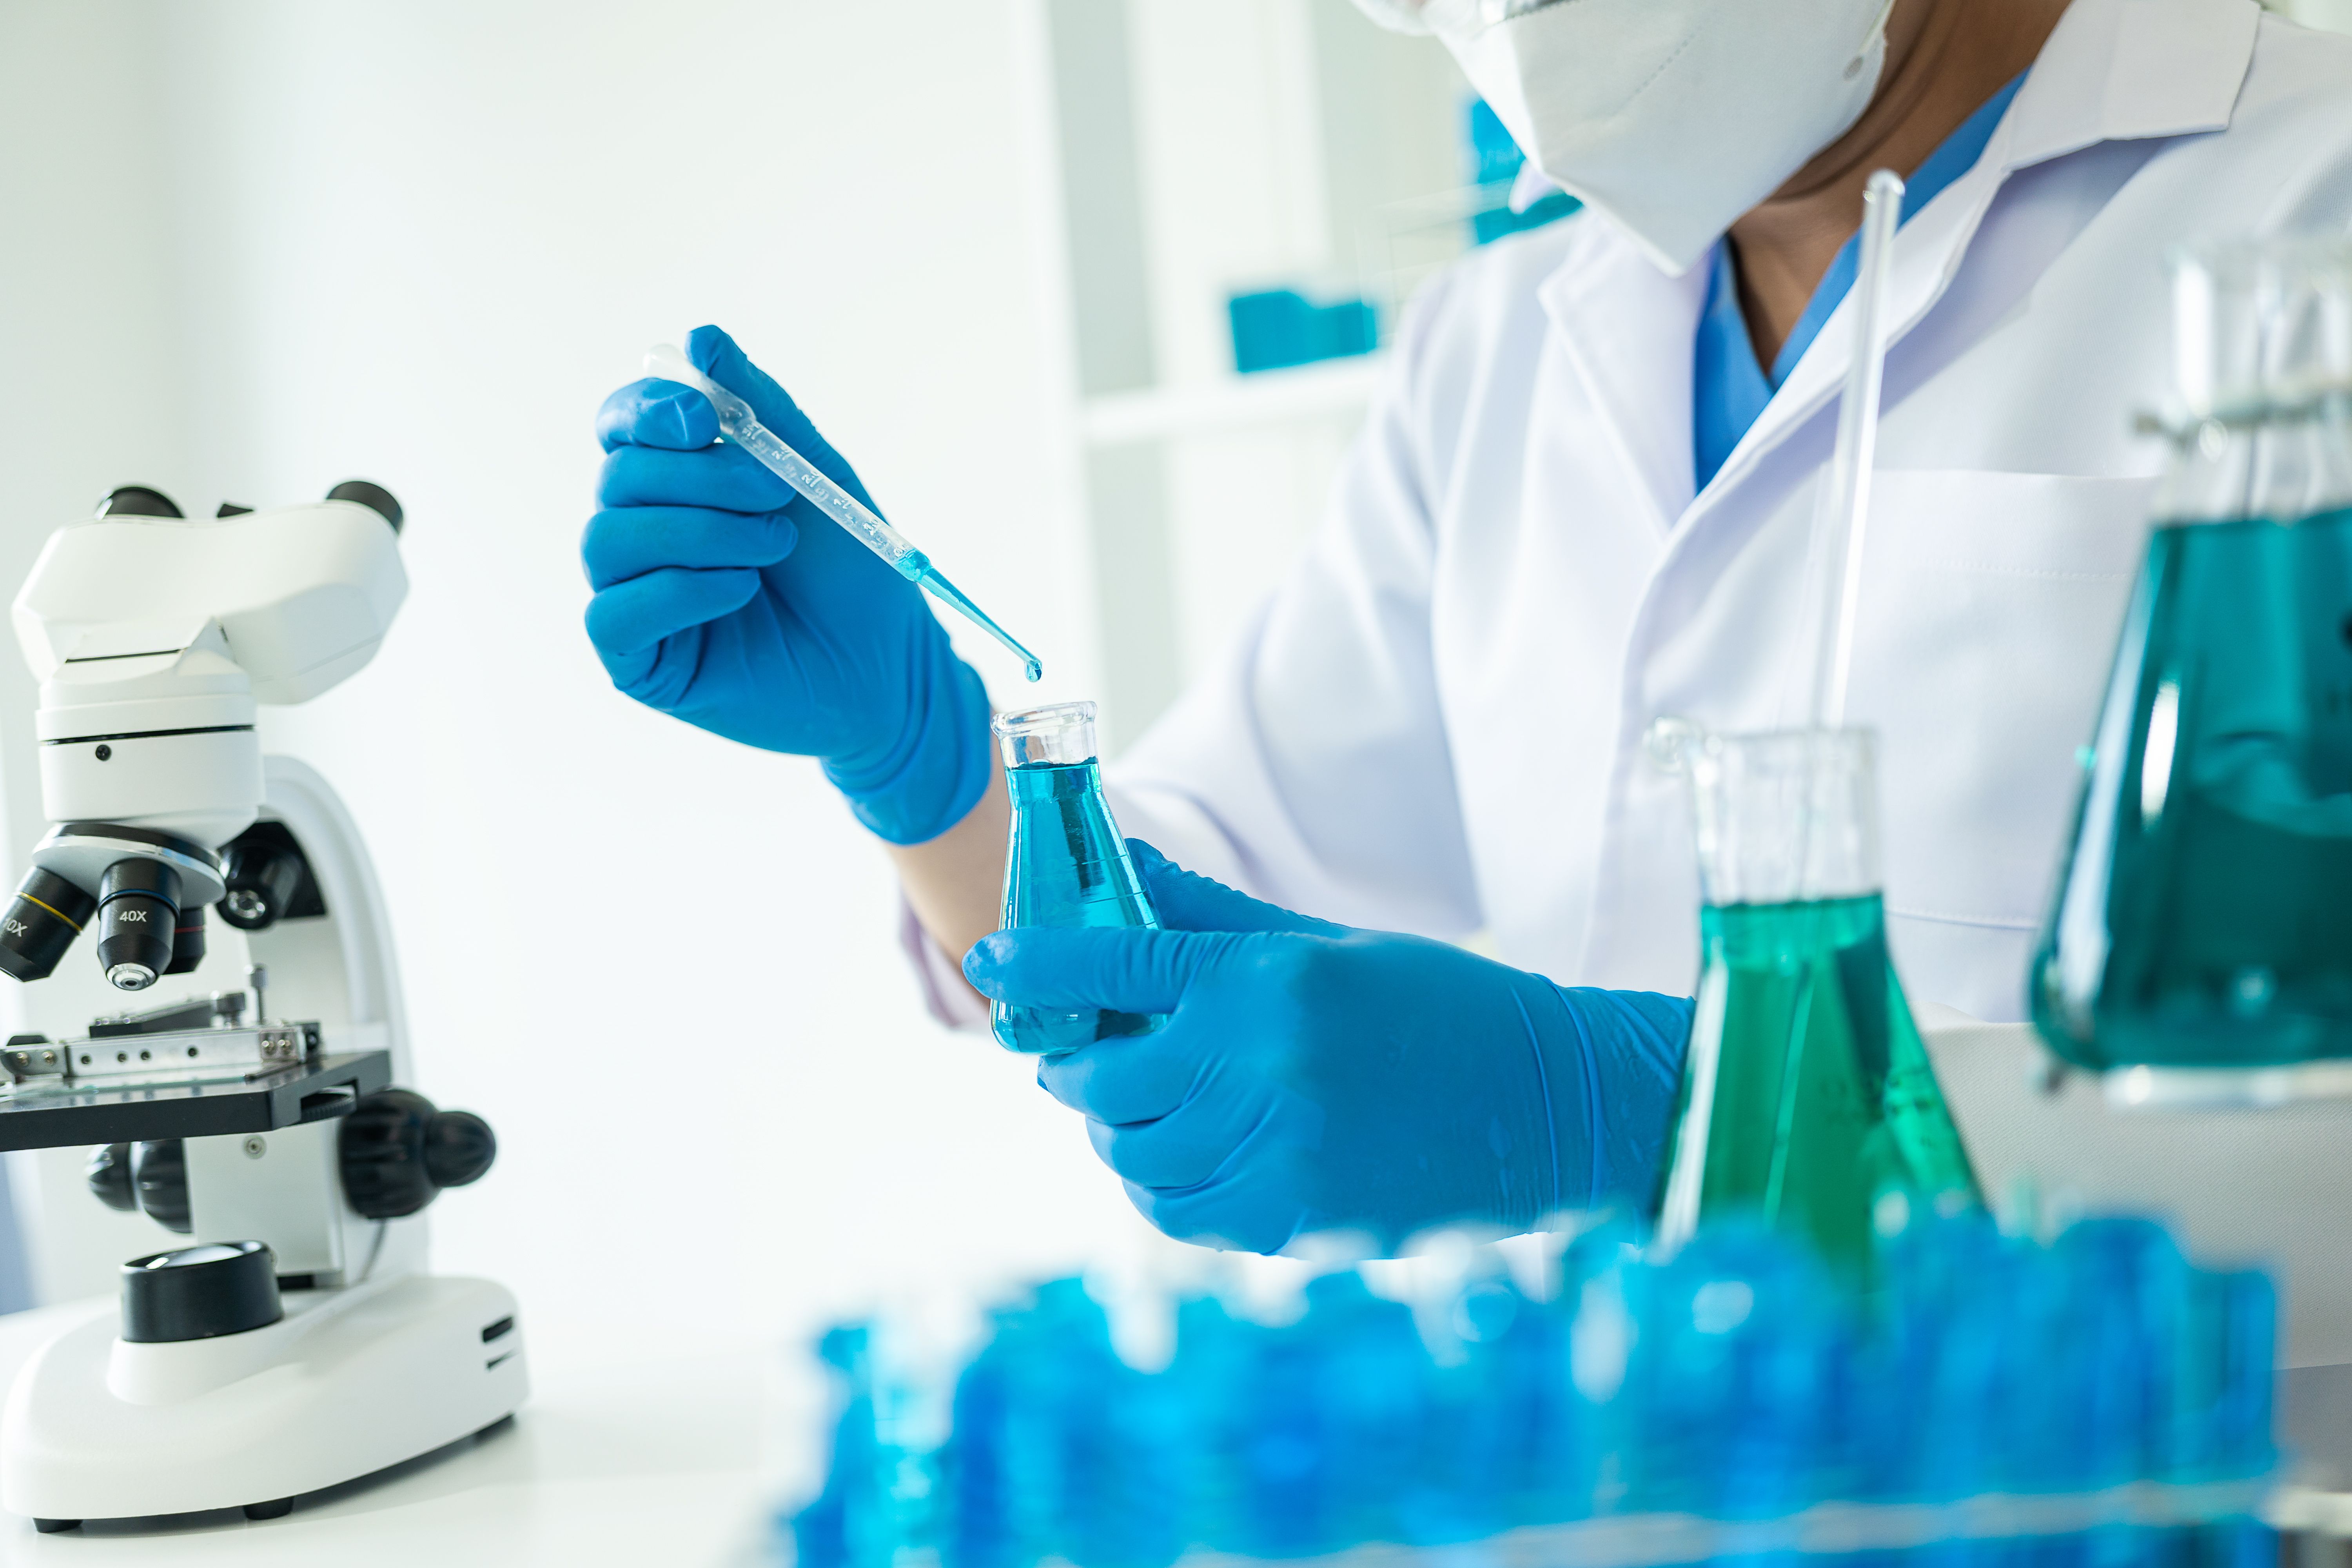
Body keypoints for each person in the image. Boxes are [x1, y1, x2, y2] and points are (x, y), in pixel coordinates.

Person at [583, 0, 2352, 1255]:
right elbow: (1163, 919)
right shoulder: (1500, 345)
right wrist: (926, 763)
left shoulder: (2310, 198)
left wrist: (1659, 1109)